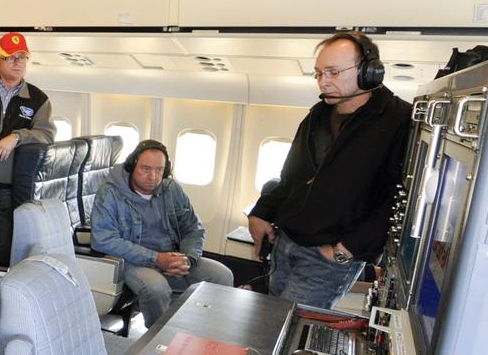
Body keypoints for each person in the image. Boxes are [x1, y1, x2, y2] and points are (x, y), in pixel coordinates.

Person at [248, 32, 412, 308]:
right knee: (271, 319)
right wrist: (262, 212)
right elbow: (290, 176)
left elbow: (395, 200)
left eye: (333, 72)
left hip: (327, 257)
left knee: (288, 328)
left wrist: (344, 251)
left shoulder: (398, 121)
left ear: (369, 71)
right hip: (286, 243)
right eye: (319, 73)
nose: (324, 82)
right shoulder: (318, 115)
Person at [91, 139, 234, 325]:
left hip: (172, 256)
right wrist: (157, 258)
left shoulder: (171, 189)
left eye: (159, 170)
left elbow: (193, 228)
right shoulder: (110, 193)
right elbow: (103, 240)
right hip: (133, 261)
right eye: (146, 169)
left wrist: (187, 258)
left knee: (222, 275)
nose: (153, 177)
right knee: (156, 288)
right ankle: (159, 341)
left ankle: (206, 334)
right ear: (132, 166)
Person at [0, 32, 55, 297]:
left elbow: (46, 134)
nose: (17, 63)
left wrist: (17, 136)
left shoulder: (38, 99)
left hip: (2, 182)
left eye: (22, 58)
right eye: (11, 57)